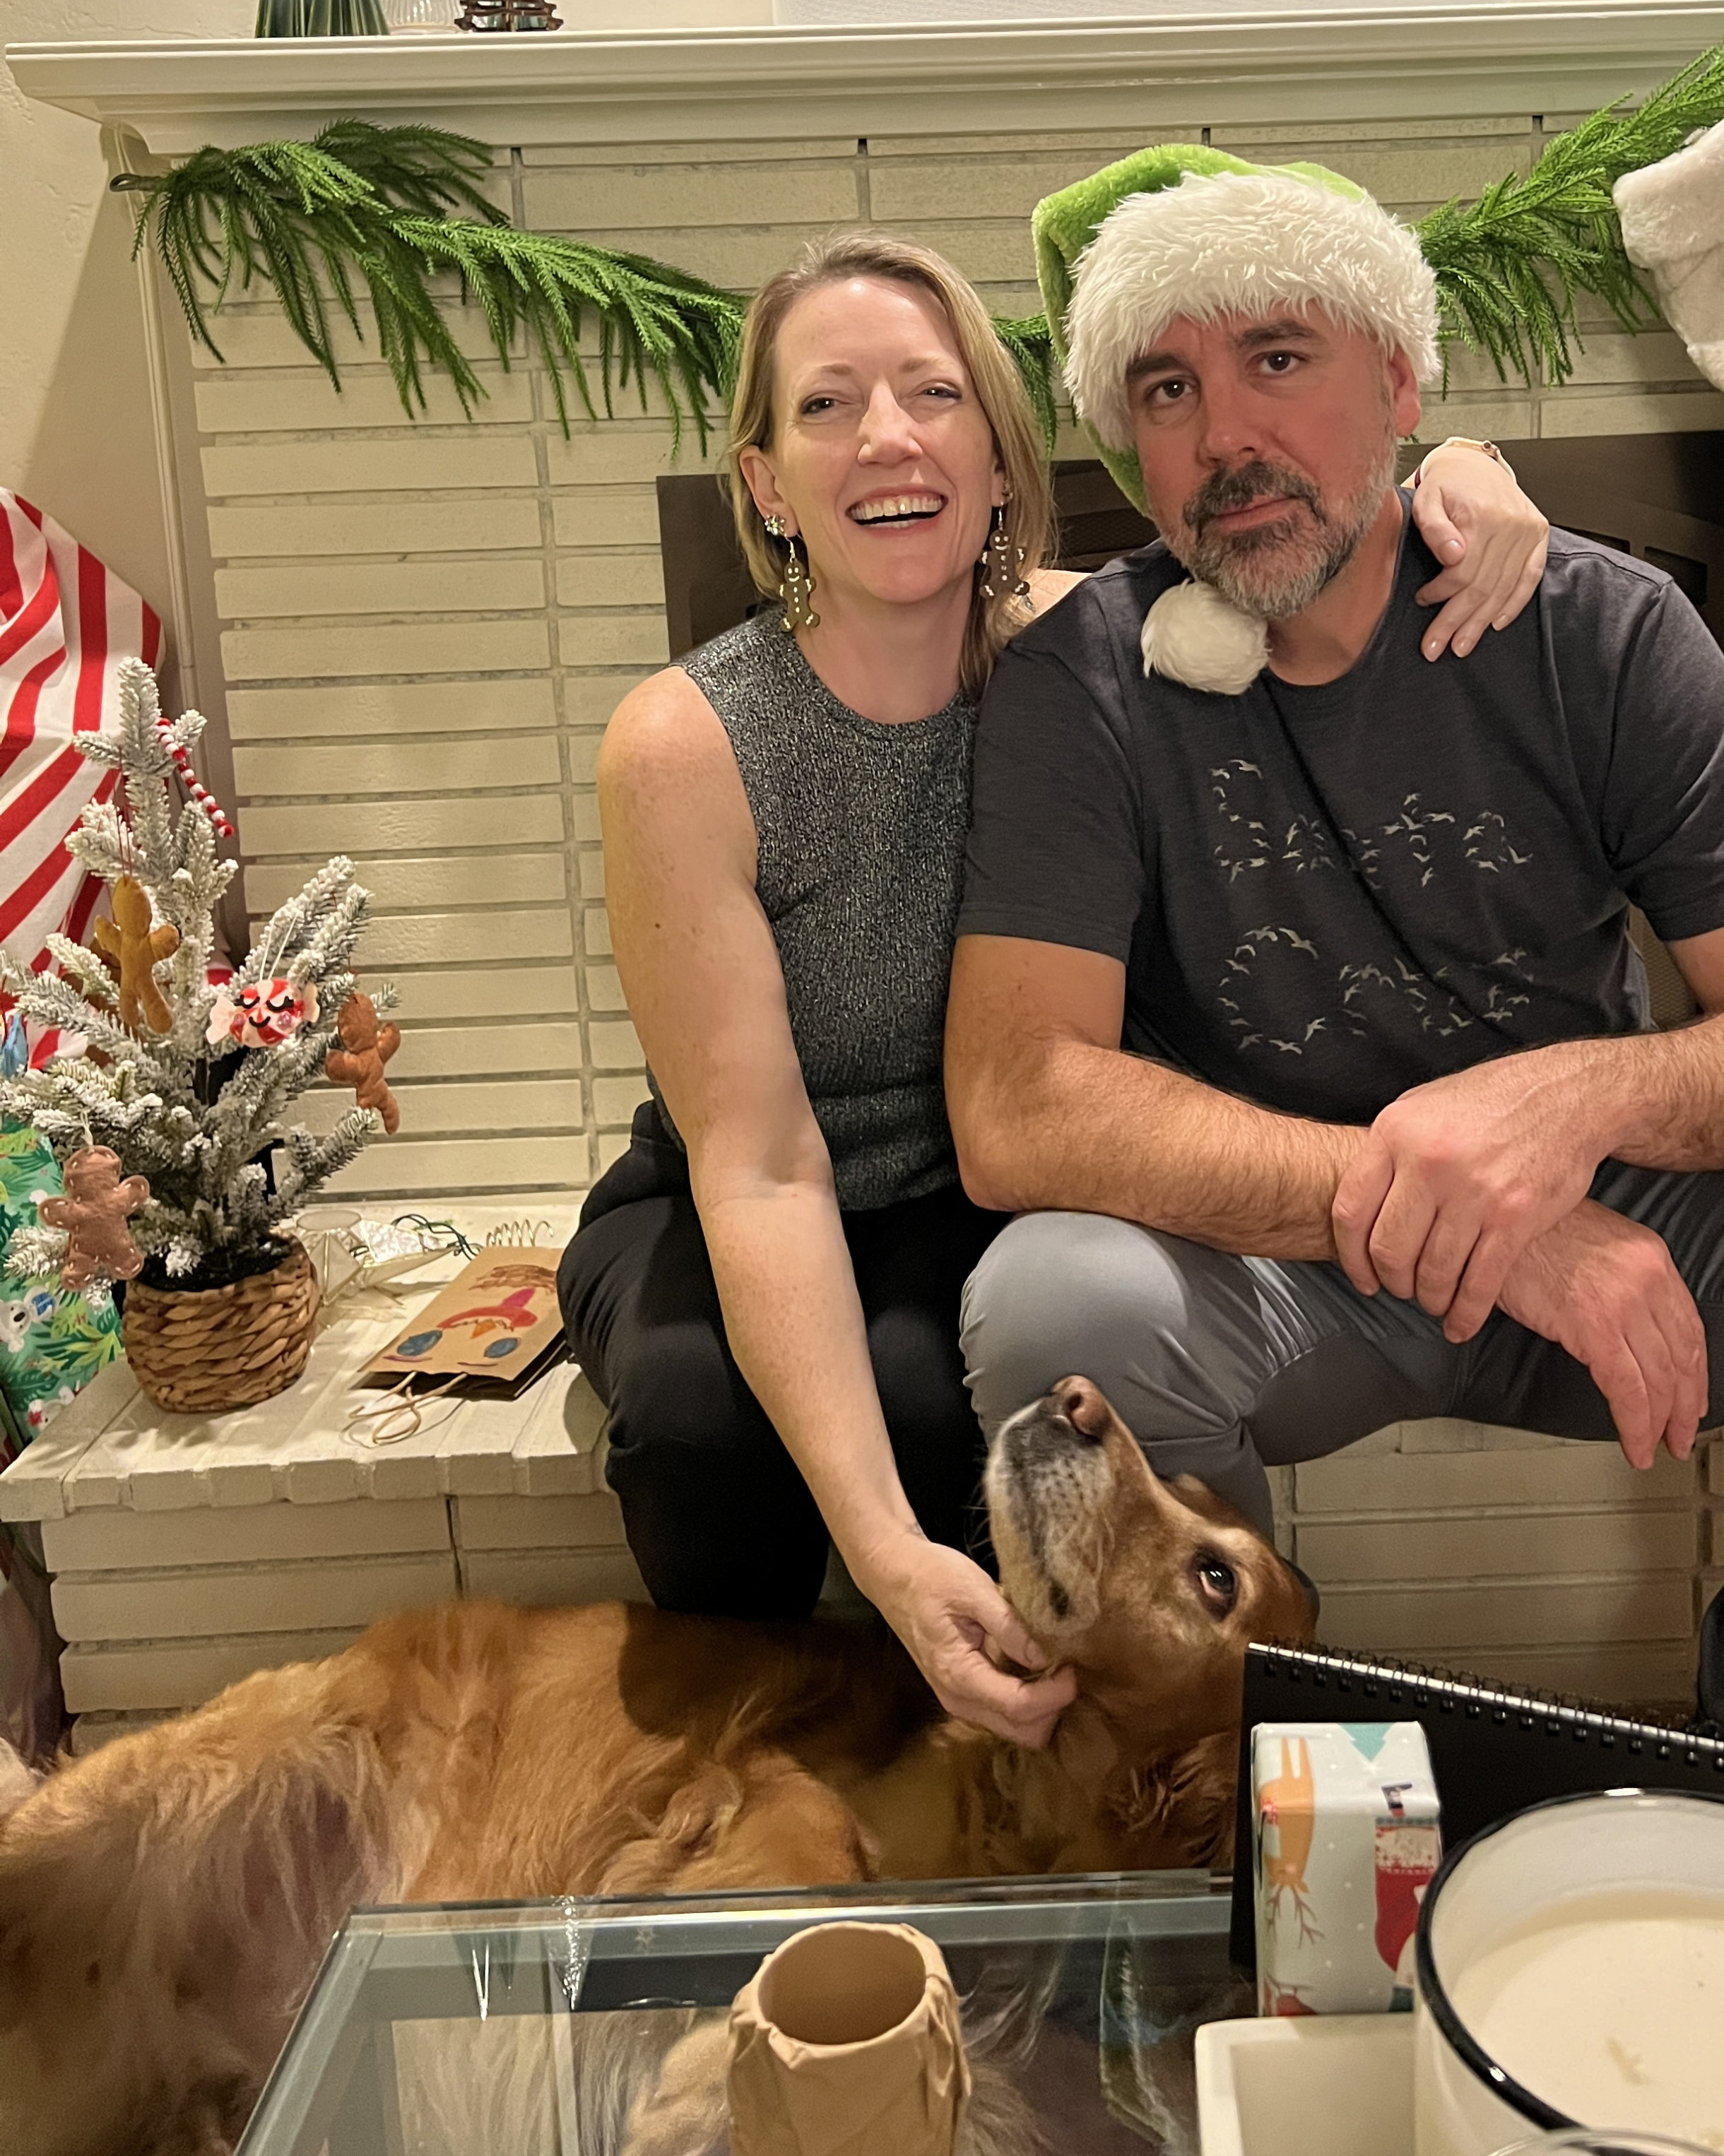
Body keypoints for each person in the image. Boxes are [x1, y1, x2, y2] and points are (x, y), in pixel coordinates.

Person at [945, 149, 1724, 1756]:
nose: (1227, 435)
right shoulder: (1088, 680)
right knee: (1053, 1296)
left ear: (1400, 383)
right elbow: (1019, 1102)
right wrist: (1452, 1208)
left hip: (1627, 1223)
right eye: (1167, 387)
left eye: (1279, 357)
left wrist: (1561, 1111)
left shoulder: (1599, 627)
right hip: (1284, 1260)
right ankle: (1236, 1800)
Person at [559, 227, 1549, 1744]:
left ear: (997, 451)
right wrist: (882, 1554)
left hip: (986, 1182)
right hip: (735, 1185)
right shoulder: (688, 742)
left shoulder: (1110, 643)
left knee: (943, 1398)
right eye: (826, 405)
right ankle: (756, 1793)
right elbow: (758, 1161)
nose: (886, 437)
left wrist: (1465, 477)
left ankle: (997, 1796)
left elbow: (1309, 533)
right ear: (766, 484)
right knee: (701, 1430)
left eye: (932, 392)